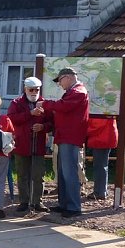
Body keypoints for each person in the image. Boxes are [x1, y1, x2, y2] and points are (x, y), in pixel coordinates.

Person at [35, 67, 90, 218]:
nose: (59, 84)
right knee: (63, 173)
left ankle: (73, 207)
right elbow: (62, 108)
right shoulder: (73, 92)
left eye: (59, 80)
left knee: (69, 173)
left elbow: (63, 107)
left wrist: (45, 104)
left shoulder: (78, 92)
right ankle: (64, 204)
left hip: (70, 137)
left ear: (68, 77)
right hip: (64, 136)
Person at [7, 77, 53, 213]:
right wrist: (30, 114)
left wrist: (43, 127)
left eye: (37, 90)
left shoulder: (44, 104)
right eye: (31, 90)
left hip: (38, 145)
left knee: (38, 174)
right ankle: (24, 201)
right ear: (25, 89)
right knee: (22, 174)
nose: (34, 92)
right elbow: (11, 119)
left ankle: (37, 201)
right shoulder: (16, 103)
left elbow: (51, 123)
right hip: (22, 144)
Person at [86, 117, 118, 201]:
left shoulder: (101, 113)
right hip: (104, 137)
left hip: (101, 138)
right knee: (102, 165)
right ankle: (101, 190)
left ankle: (100, 192)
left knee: (100, 166)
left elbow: (96, 125)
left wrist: (83, 127)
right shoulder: (108, 110)